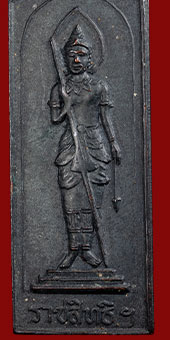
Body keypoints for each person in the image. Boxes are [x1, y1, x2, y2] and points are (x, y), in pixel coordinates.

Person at [48, 24, 121, 268]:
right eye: (72, 56)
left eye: (81, 55)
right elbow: (55, 119)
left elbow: (106, 118)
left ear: (90, 58)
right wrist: (66, 104)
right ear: (66, 59)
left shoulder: (100, 86)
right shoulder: (60, 88)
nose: (77, 60)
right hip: (71, 144)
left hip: (94, 143)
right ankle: (73, 248)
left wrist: (113, 143)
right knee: (71, 197)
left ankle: (87, 248)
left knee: (92, 199)